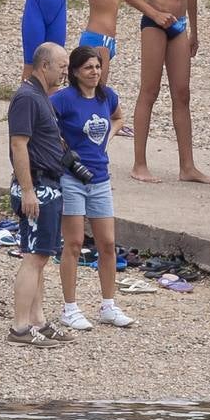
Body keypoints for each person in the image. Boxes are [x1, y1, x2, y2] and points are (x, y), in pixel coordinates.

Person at [119, 0, 210, 185]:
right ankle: (139, 163)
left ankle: (188, 166)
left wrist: (194, 29)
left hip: (180, 25)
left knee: (182, 94)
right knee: (149, 90)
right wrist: (154, 12)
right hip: (155, 23)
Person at [51, 45, 135, 332]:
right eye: (88, 67)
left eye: (97, 67)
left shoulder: (107, 96)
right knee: (73, 243)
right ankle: (70, 307)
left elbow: (119, 117)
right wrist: (64, 152)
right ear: (75, 72)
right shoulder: (63, 100)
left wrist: (109, 136)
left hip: (100, 177)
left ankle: (108, 304)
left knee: (108, 244)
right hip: (72, 178)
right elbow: (47, 127)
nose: (95, 72)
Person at [7, 43, 75, 347]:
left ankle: (38, 320)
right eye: (61, 65)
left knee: (40, 255)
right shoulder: (26, 98)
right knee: (34, 258)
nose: (65, 71)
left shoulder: (40, 96)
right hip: (37, 187)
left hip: (47, 185)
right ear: (43, 65)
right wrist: (28, 190)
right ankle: (20, 328)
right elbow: (18, 145)